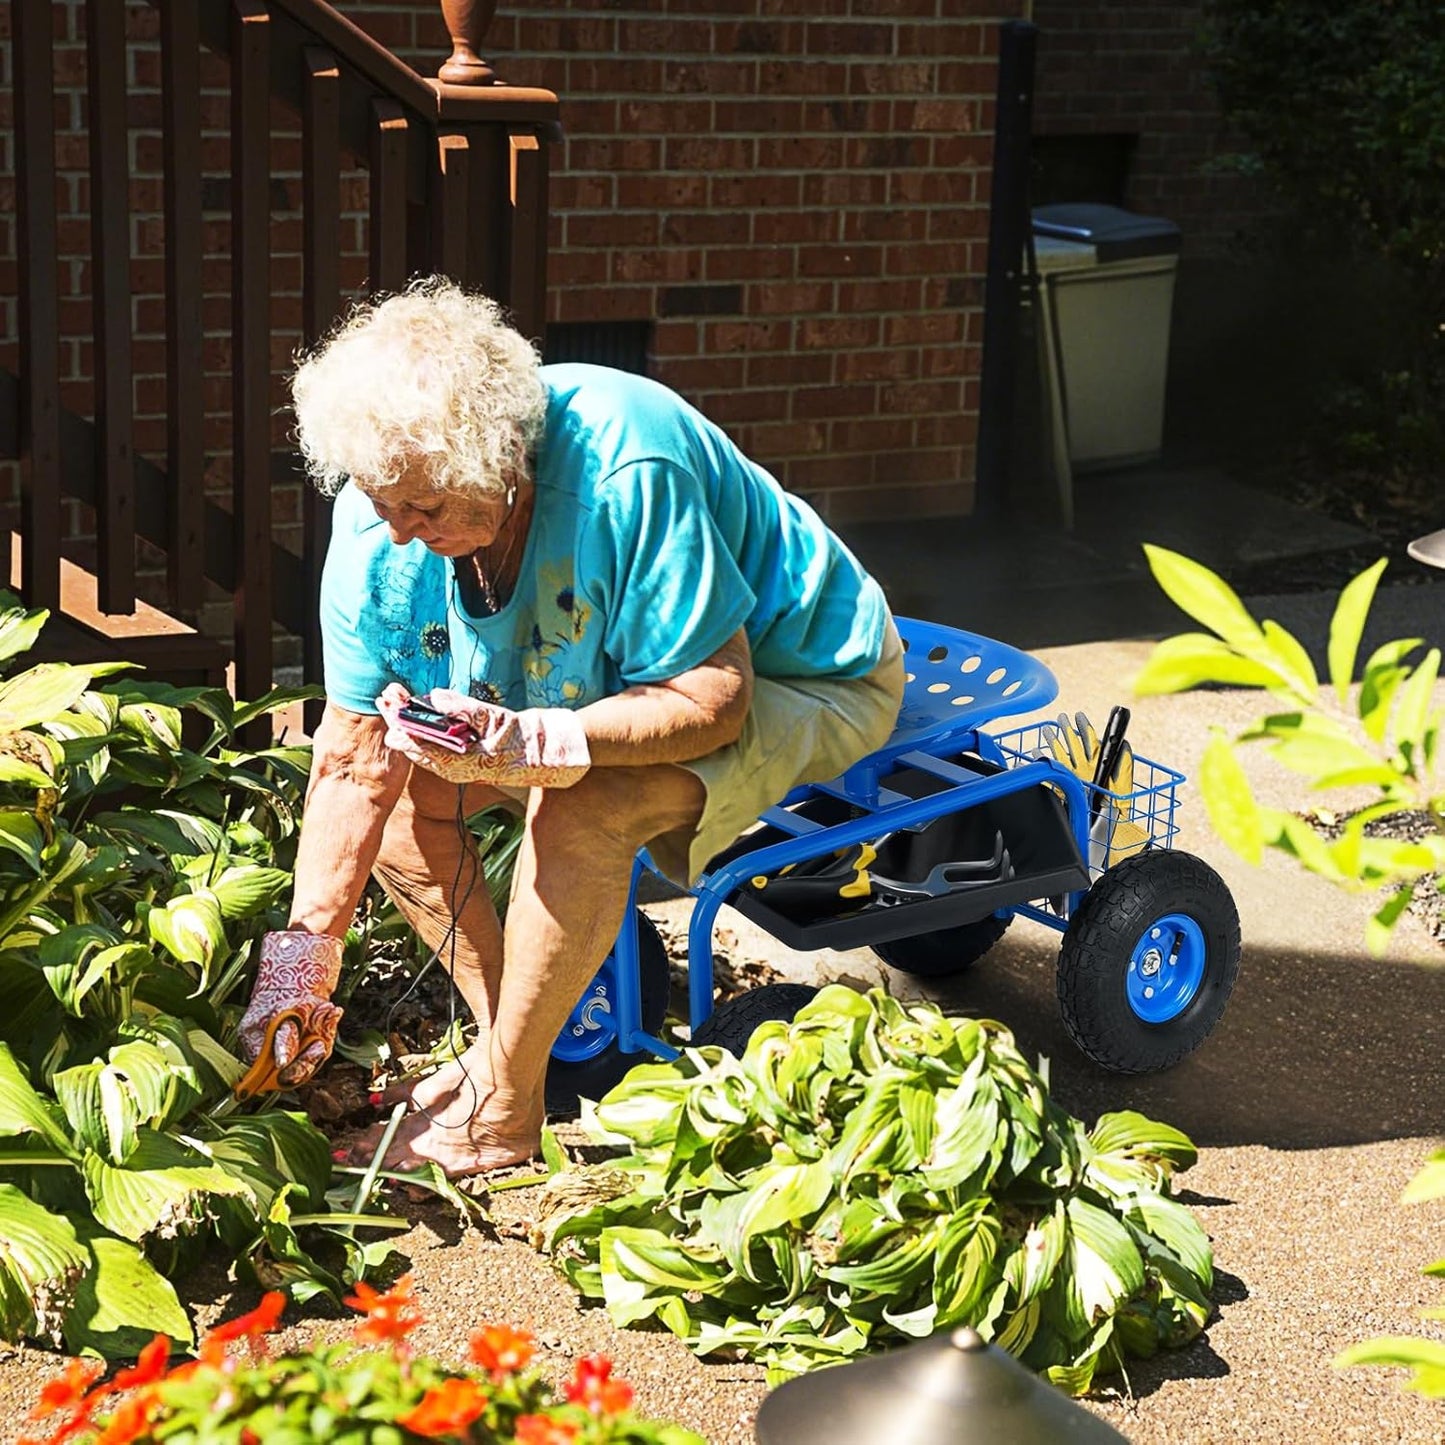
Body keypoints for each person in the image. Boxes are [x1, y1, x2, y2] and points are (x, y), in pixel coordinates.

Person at [237, 277, 904, 1178]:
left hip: (802, 673)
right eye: (377, 502)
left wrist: (542, 743)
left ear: (503, 458)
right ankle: (501, 1050)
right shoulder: (383, 512)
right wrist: (299, 977)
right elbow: (353, 761)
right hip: (583, 683)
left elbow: (713, 693)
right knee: (400, 802)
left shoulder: (629, 466)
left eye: (424, 509)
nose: (395, 533)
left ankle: (507, 1108)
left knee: (582, 803)